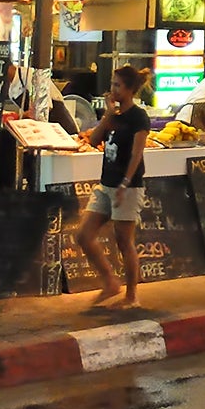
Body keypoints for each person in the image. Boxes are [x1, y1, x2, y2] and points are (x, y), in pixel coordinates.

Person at [76, 66, 151, 307]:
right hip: (106, 183)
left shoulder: (139, 117)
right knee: (83, 235)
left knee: (123, 241)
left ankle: (131, 295)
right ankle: (110, 281)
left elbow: (137, 153)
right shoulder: (114, 116)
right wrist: (108, 115)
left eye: (117, 85)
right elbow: (95, 139)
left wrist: (125, 183)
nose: (113, 89)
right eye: (112, 84)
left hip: (127, 186)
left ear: (129, 89)